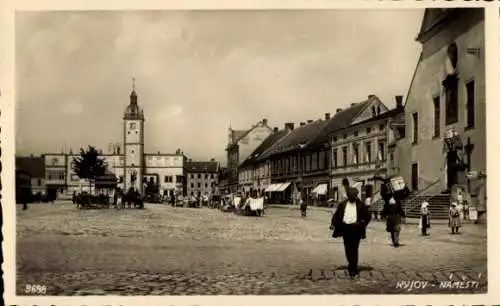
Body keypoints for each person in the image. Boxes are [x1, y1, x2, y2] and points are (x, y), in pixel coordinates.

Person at [330, 187, 372, 278]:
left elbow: (368, 216)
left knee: (354, 248)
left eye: (353, 196)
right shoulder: (343, 204)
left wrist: (362, 223)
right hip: (345, 228)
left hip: (356, 228)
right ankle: (351, 263)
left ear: (356, 196)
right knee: (348, 248)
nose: (352, 198)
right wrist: (333, 224)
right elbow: (336, 216)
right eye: (350, 196)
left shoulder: (361, 205)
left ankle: (353, 267)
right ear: (348, 196)